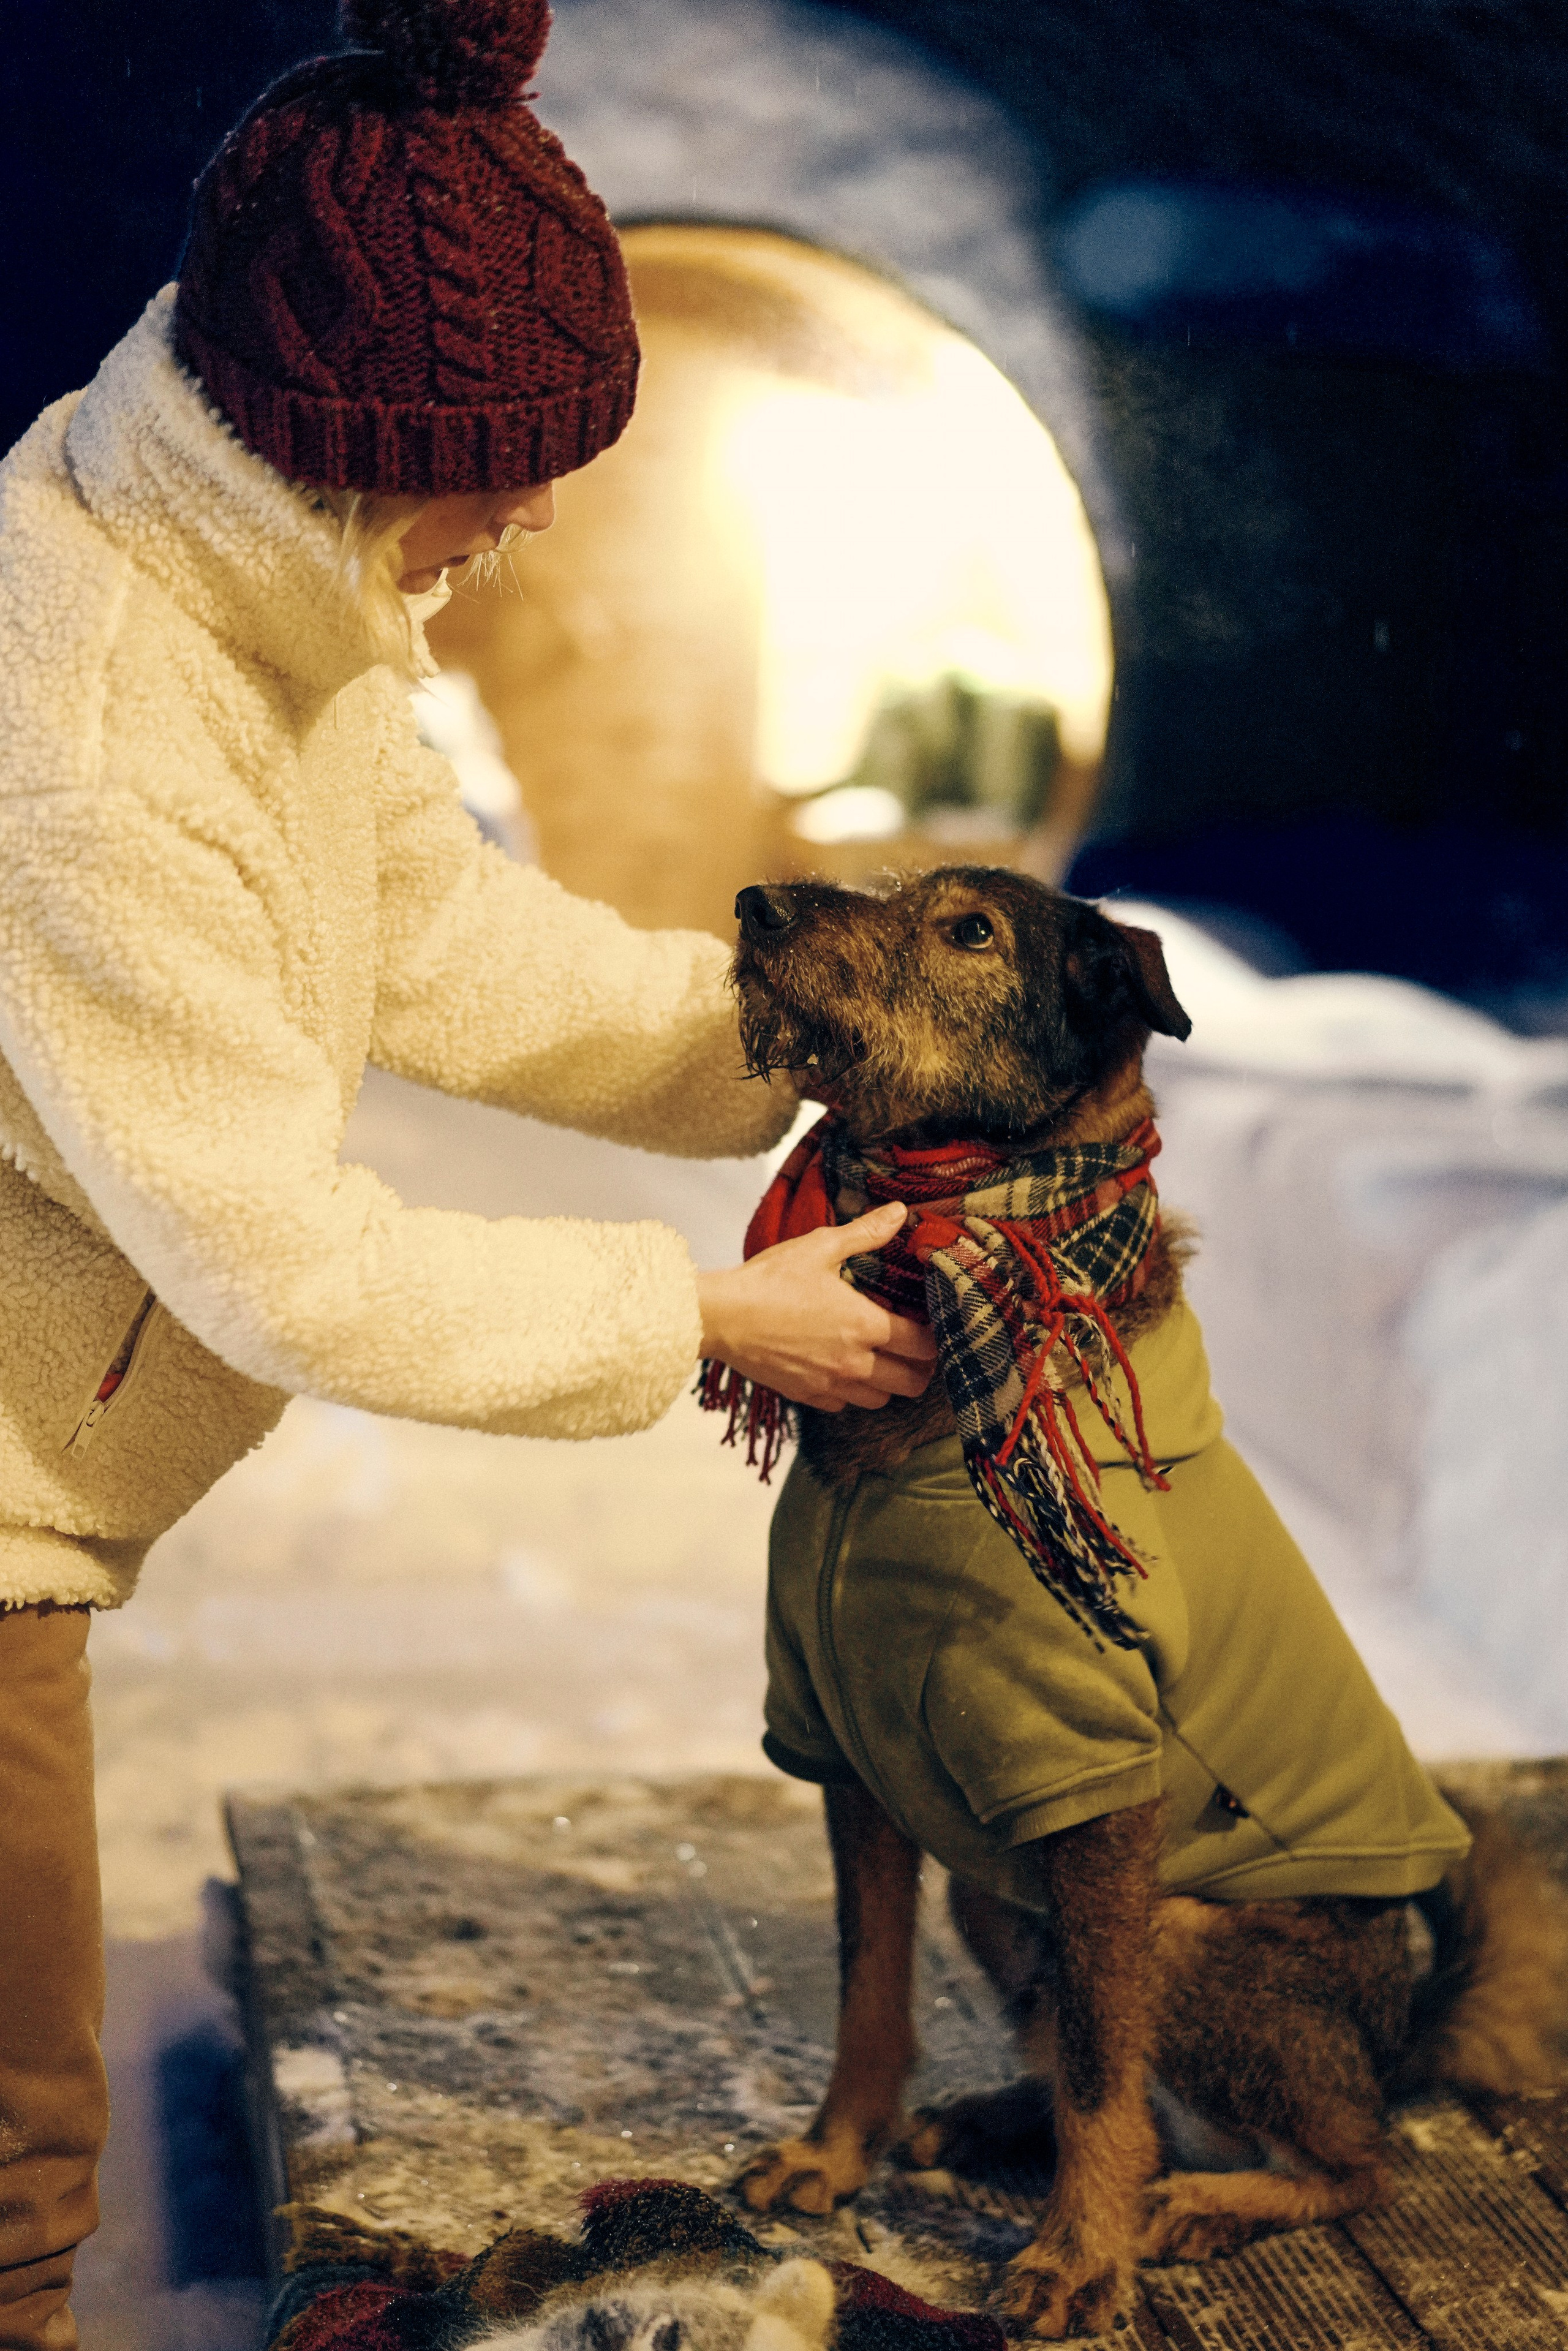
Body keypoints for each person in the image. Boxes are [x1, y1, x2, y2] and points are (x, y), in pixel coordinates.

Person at [0, 2, 935, 2341]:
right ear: (340, 443)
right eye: (497, 475)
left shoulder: (261, 582)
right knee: (13, 2141)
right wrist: (710, 1317)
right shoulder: (99, 750)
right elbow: (284, 1267)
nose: (528, 525)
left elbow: (425, 923)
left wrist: (785, 1051)